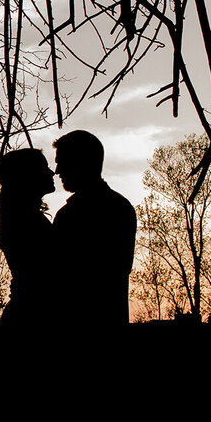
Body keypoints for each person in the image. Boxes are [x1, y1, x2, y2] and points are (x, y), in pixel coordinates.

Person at [51, 130, 136, 327]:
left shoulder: (70, 216)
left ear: (82, 162)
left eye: (62, 161)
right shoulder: (121, 207)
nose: (57, 170)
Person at [0, 148, 56, 330]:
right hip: (31, 317)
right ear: (27, 176)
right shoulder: (25, 222)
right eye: (44, 168)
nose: (52, 172)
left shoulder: (22, 218)